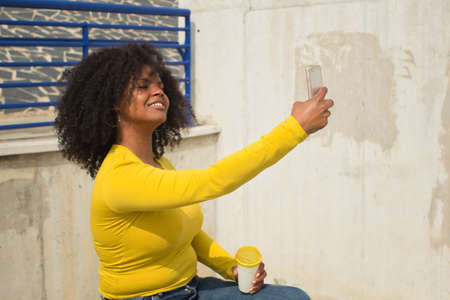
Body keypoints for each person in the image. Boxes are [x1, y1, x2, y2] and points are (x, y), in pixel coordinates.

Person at [55, 43, 333, 300]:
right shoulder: (120, 176)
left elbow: (190, 233)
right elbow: (213, 181)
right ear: (113, 102)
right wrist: (296, 127)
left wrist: (231, 268)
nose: (158, 91)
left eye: (160, 85)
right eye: (143, 86)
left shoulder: (158, 162)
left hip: (189, 288)